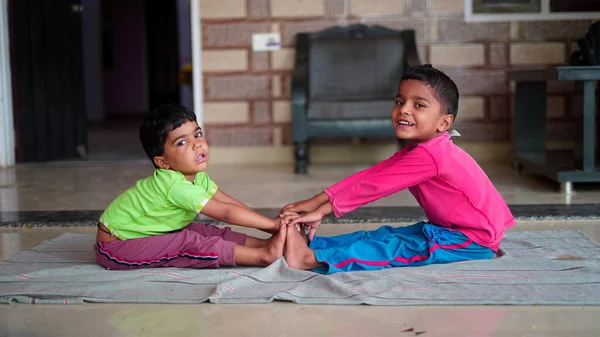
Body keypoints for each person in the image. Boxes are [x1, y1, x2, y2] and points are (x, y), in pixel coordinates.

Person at [280, 64, 515, 274]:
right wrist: (315, 202)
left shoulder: (431, 155)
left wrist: (322, 211)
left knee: (394, 248)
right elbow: (370, 175)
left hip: (472, 240)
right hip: (448, 230)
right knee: (383, 236)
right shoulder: (422, 149)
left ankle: (310, 258)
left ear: (443, 123)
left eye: (419, 105)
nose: (404, 109)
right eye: (399, 102)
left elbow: (374, 187)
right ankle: (316, 245)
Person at [95, 104, 287, 270]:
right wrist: (274, 224)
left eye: (197, 134)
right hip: (116, 246)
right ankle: (263, 256)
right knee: (186, 242)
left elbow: (229, 203)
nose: (197, 145)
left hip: (146, 234)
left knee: (201, 230)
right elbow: (226, 213)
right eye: (182, 142)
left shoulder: (198, 178)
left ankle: (264, 245)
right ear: (162, 162)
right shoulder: (175, 185)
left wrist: (271, 228)